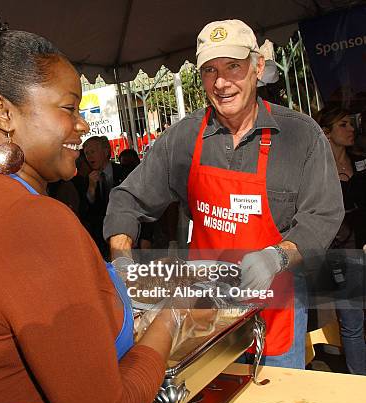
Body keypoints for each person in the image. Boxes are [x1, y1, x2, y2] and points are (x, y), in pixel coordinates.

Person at [0, 3, 183, 403]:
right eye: (69, 108)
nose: (83, 125)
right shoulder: (31, 220)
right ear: (3, 112)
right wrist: (170, 321)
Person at [105, 19, 344, 369]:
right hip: (204, 308)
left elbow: (321, 216)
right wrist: (123, 263)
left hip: (275, 305)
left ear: (257, 67)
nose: (221, 82)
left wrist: (276, 257)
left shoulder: (300, 136)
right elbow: (128, 199)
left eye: (233, 66)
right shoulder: (184, 138)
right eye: (209, 70)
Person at [314, 107, 366, 375]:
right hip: (335, 253)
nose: (351, 129)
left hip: (359, 247)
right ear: (327, 132)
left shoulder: (361, 161)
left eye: (351, 123)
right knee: (352, 321)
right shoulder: (316, 170)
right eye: (343, 124)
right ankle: (359, 381)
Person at [83, 135, 127, 259]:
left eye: (92, 152)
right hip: (101, 239)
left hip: (125, 232)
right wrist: (91, 188)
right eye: (86, 153)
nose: (89, 157)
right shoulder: (86, 179)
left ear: (106, 151)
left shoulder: (123, 172)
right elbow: (86, 210)